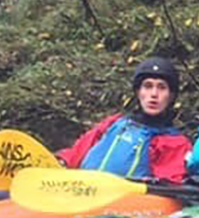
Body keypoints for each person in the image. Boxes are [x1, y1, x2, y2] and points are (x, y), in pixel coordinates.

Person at [56, 56, 191, 183]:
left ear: (171, 96)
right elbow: (76, 152)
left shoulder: (175, 143)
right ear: (138, 92)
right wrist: (60, 162)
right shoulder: (115, 122)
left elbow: (169, 187)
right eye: (148, 86)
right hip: (82, 194)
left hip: (127, 205)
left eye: (162, 87)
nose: (154, 94)